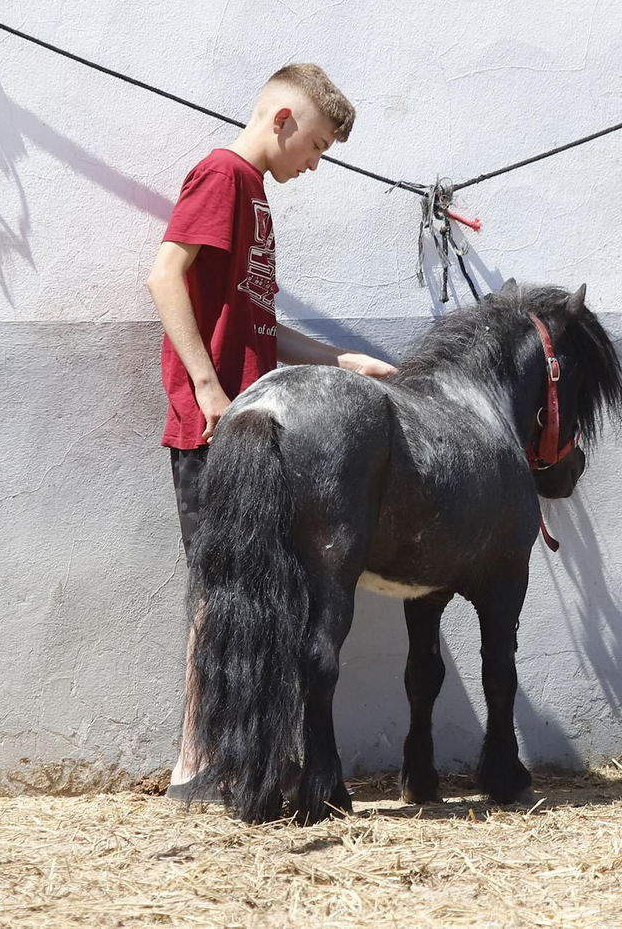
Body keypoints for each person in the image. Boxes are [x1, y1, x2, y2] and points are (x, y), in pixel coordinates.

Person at [145, 63, 397, 800]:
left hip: (250, 427)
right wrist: (205, 387)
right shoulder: (221, 176)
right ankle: (194, 767)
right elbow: (165, 275)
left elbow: (258, 321)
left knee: (257, 597)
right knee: (218, 599)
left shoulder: (254, 196)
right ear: (282, 120)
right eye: (315, 146)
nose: (314, 164)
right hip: (212, 428)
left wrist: (338, 357)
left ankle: (242, 759)